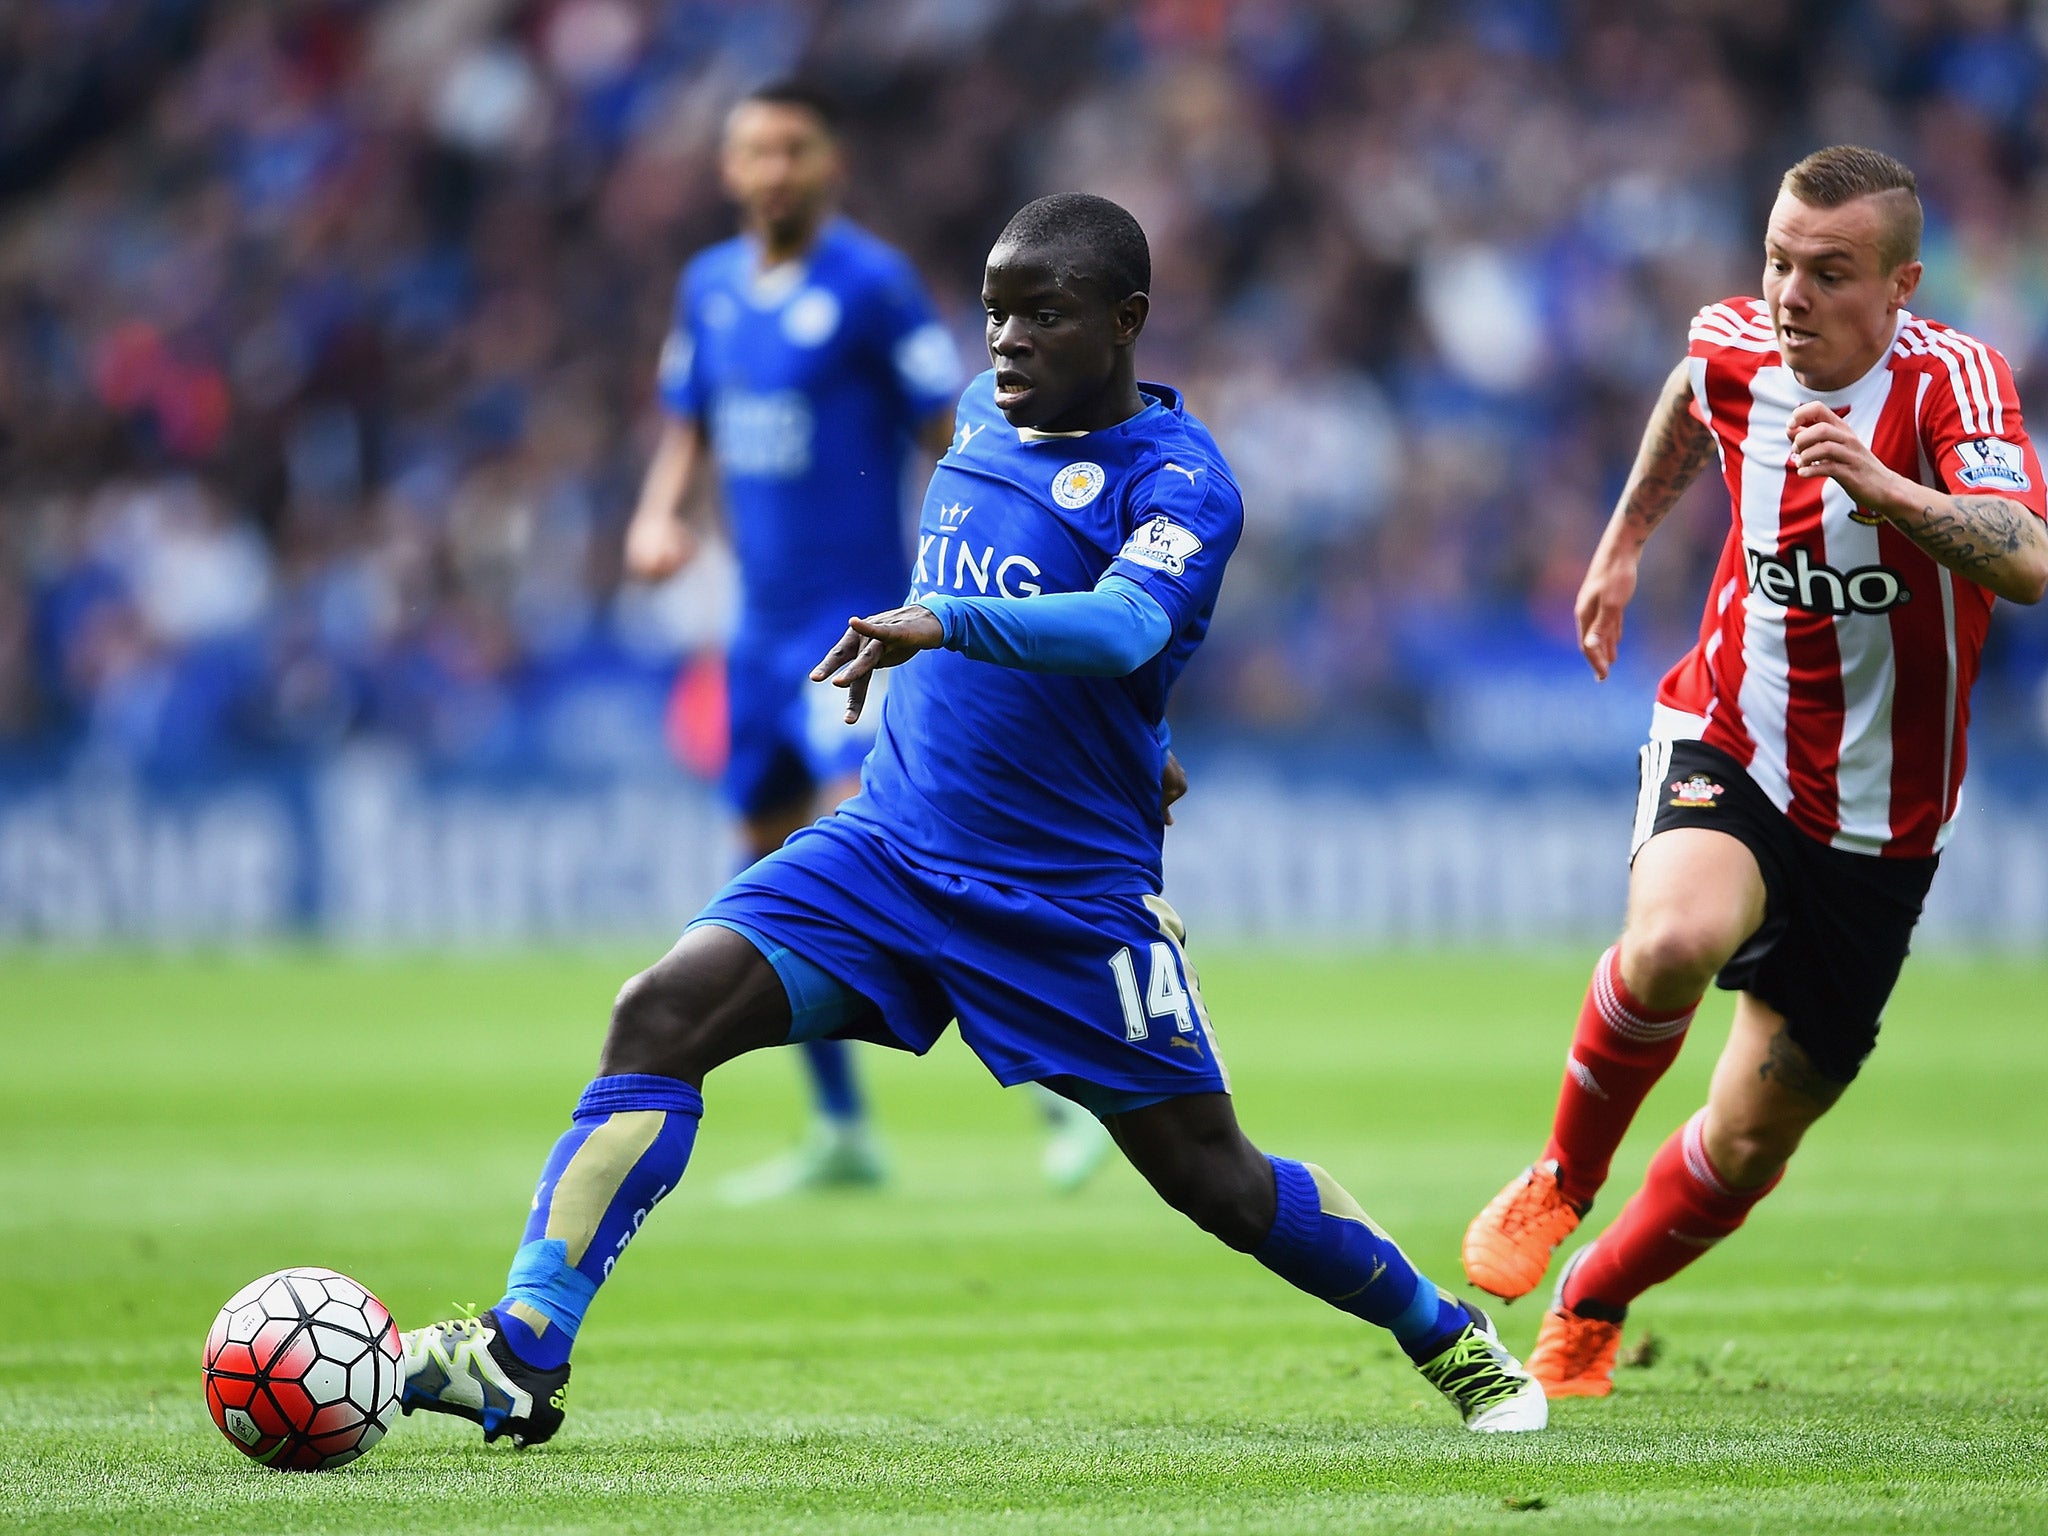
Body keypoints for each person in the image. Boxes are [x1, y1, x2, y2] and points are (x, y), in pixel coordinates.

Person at [397, 193, 1548, 1445]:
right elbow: (1039, 614)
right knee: (657, 1012)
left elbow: (1119, 625)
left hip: (1060, 901)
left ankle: (1447, 1335)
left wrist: (946, 625)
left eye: (1040, 315)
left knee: (1215, 1181)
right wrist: (1130, 730)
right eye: (995, 310)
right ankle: (523, 1351)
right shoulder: (976, 422)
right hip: (886, 852)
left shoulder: (1181, 481)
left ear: (1125, 323)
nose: (1004, 340)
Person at [1461, 145, 2048, 1397]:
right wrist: (1620, 544)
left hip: (1884, 823)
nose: (1789, 293)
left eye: (1827, 272)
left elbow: (2023, 553)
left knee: (1746, 1132)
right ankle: (1561, 1176)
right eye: (1777, 259)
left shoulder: (1954, 384)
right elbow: (1690, 389)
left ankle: (1594, 1300)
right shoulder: (1738, 345)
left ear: (1899, 286)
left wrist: (1887, 490)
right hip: (1731, 735)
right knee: (1671, 940)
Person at [623, 80, 1113, 1201]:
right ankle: (842, 1129)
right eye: (755, 150)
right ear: (727, 169)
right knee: (768, 867)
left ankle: (1055, 1089)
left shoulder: (871, 286)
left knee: (886, 855)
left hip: (852, 628)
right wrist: (659, 514)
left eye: (794, 148)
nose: (774, 169)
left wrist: (972, 579)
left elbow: (952, 436)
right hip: (752, 633)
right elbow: (689, 423)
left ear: (831, 163)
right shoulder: (707, 289)